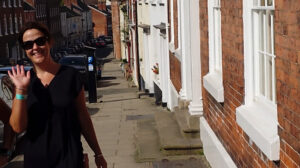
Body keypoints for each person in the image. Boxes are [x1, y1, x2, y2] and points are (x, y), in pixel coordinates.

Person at [7, 21, 107, 168]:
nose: (35, 48)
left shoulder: (70, 76)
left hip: (70, 159)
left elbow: (83, 118)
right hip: (36, 161)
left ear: (49, 42)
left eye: (40, 41)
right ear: (24, 50)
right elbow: (17, 127)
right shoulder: (23, 81)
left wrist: (98, 153)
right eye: (28, 45)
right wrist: (21, 90)